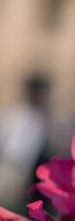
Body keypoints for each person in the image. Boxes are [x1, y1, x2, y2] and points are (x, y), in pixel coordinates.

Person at [0, 75, 51, 212]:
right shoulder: (31, 116)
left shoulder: (17, 112)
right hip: (17, 167)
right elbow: (25, 150)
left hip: (16, 166)